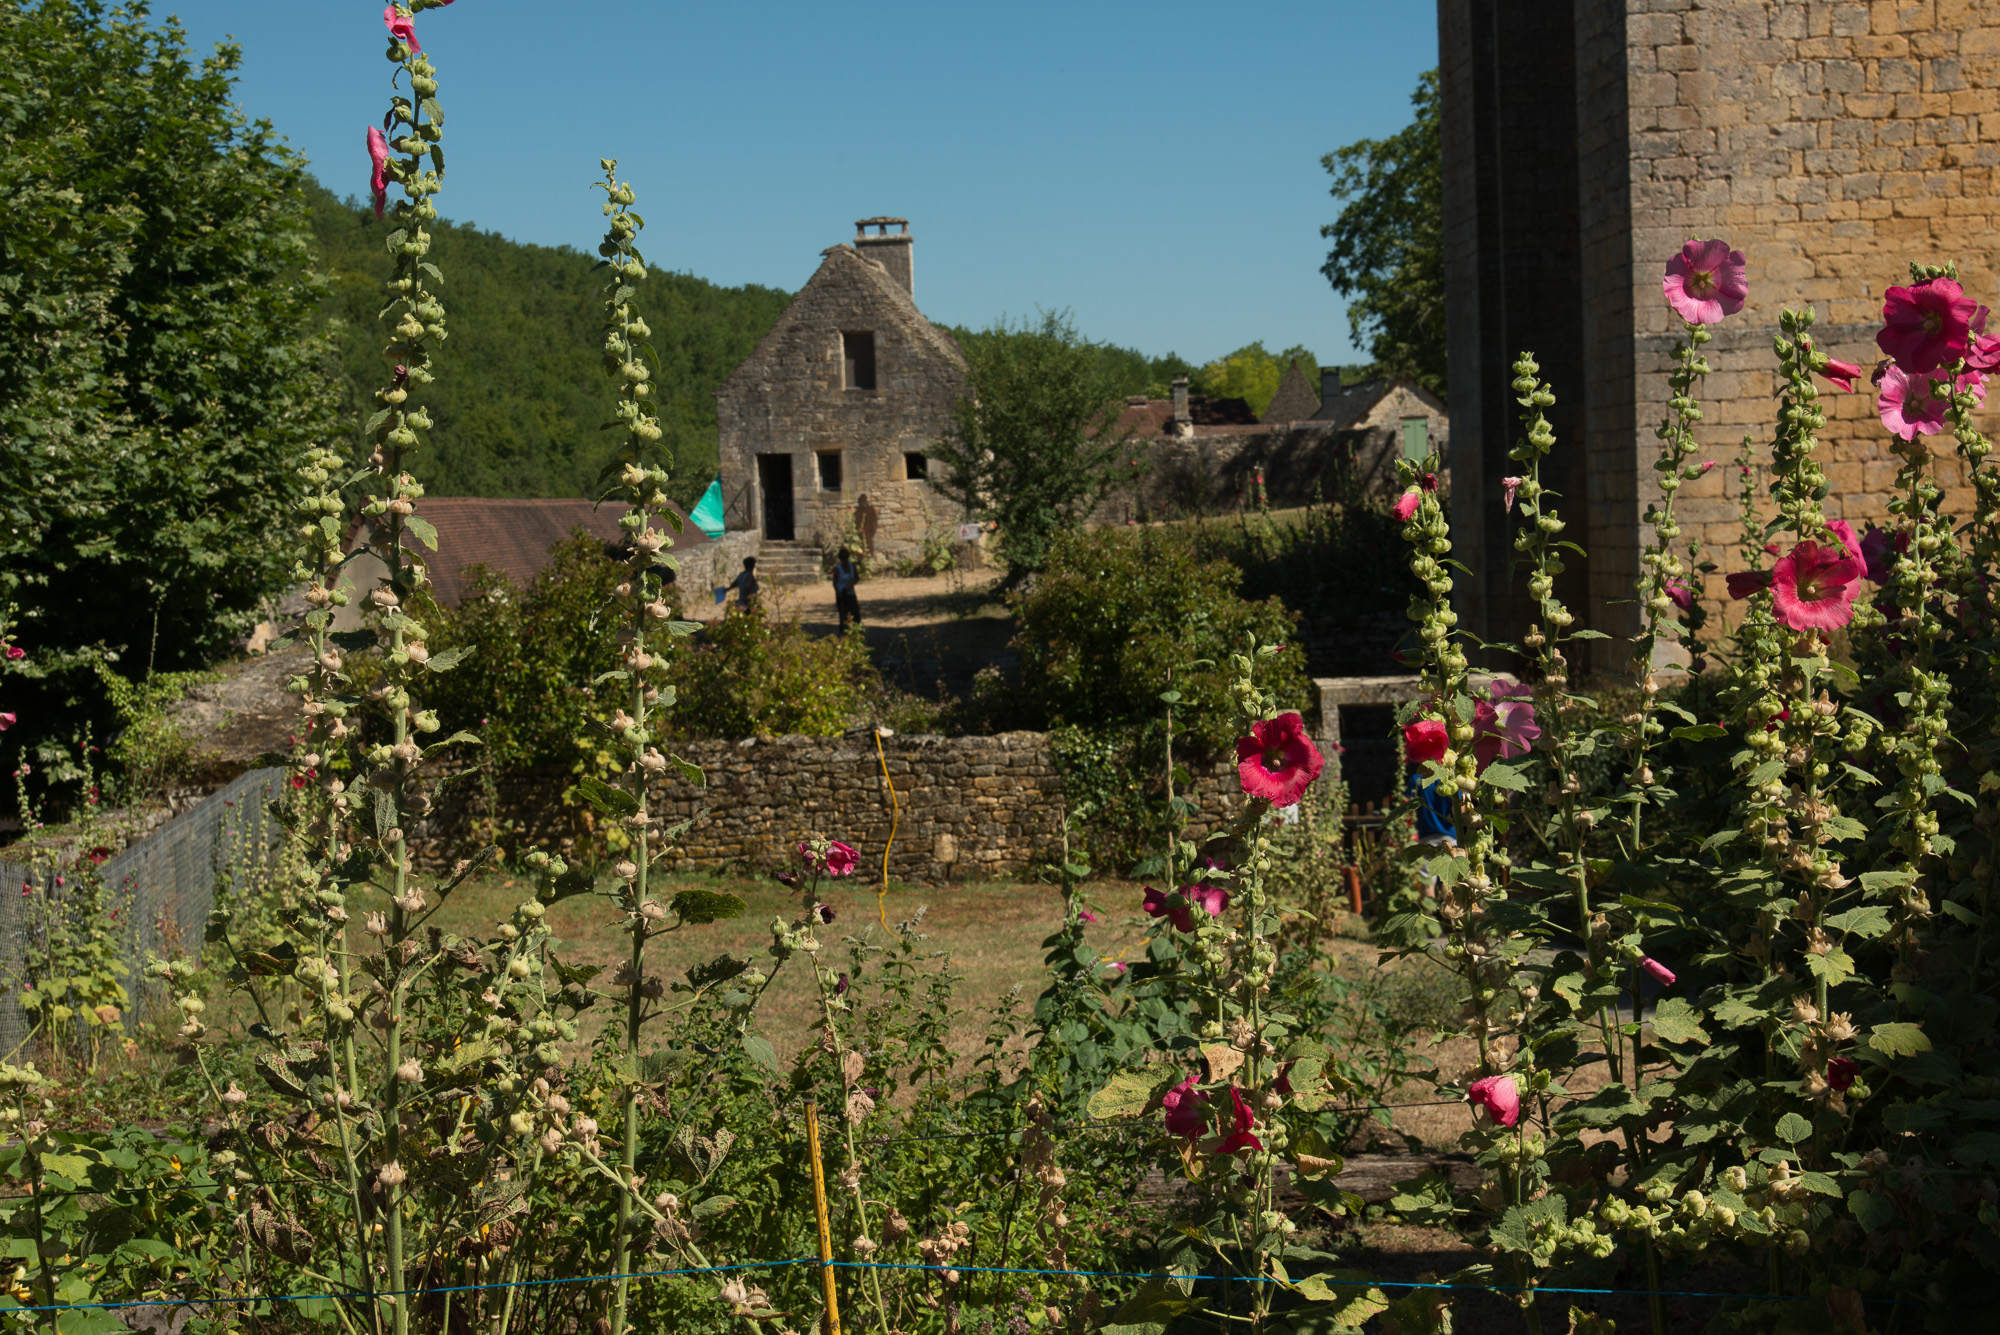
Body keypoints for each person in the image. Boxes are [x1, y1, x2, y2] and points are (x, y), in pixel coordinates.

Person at [832, 547, 862, 630]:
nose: (844, 560)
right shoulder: (838, 569)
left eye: (846, 558)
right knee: (843, 614)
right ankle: (844, 630)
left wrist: (851, 584)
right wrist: (838, 593)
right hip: (842, 593)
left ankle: (857, 629)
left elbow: (857, 578)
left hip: (850, 592)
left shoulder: (852, 566)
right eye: (843, 558)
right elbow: (835, 583)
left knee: (855, 612)